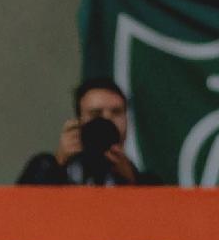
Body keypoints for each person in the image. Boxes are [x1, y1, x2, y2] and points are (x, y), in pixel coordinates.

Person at [17, 77, 146, 185]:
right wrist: (57, 163)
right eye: (96, 114)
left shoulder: (143, 181)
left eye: (116, 112)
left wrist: (133, 181)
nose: (107, 120)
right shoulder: (44, 168)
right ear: (78, 121)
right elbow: (21, 209)